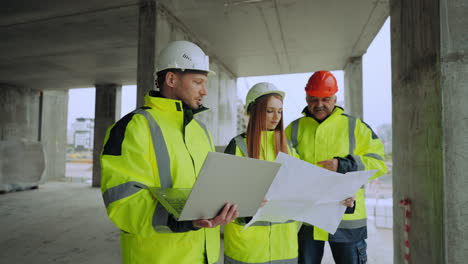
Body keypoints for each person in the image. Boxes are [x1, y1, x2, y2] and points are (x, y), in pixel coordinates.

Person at [100, 40, 238, 264]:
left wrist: (239, 198)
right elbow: (123, 203)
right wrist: (182, 220)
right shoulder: (134, 127)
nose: (204, 91)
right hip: (159, 257)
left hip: (205, 257)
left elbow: (209, 189)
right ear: (171, 79)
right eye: (198, 82)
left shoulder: (200, 130)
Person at [285, 71, 387, 264]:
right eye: (313, 99)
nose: (319, 104)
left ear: (335, 98)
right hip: (307, 219)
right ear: (306, 98)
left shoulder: (355, 126)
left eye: (326, 99)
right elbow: (284, 167)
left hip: (346, 220)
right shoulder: (293, 129)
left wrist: (343, 164)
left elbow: (378, 163)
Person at [223, 82, 301, 264]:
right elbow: (222, 195)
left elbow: (303, 185)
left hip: (285, 249)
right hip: (247, 250)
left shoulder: (287, 147)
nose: (276, 118)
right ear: (255, 111)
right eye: (270, 111)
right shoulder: (238, 146)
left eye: (280, 111)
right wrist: (249, 200)